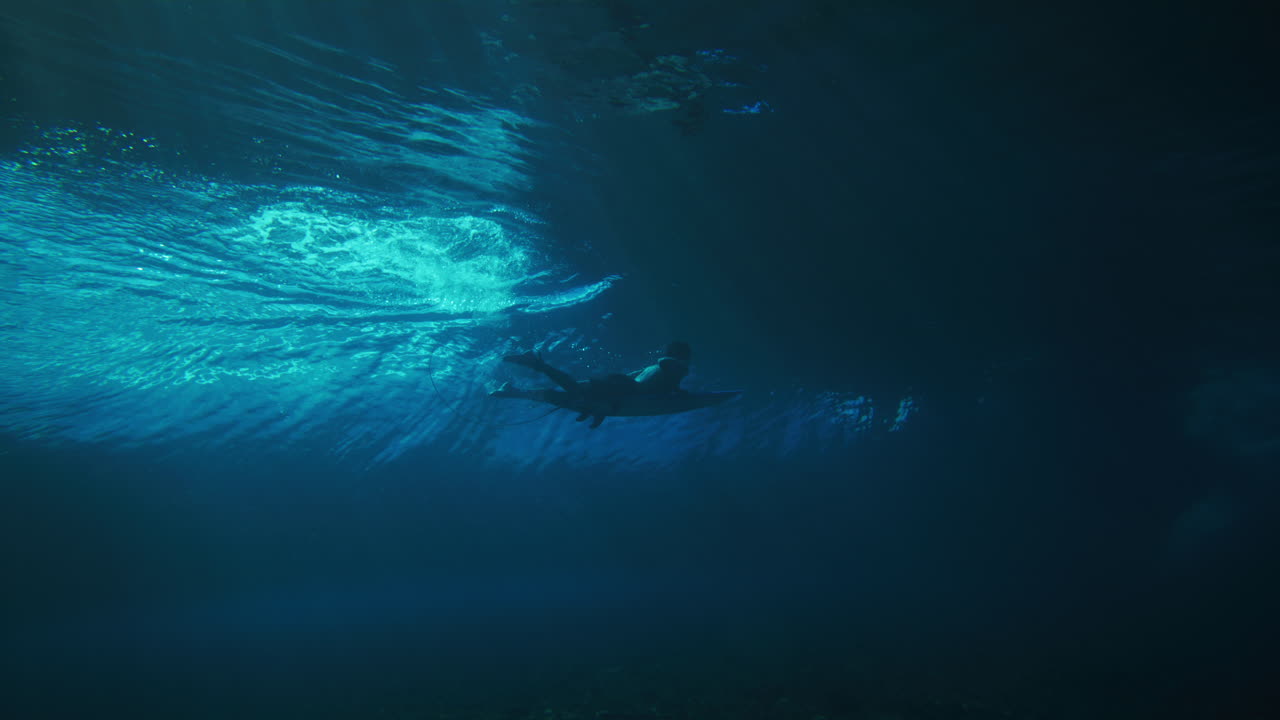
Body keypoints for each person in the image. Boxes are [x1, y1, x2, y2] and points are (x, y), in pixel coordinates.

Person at [502, 341, 692, 428]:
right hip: (625, 389)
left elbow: (635, 376)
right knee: (574, 390)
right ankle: (536, 363)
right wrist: (681, 394)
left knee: (563, 395)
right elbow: (667, 373)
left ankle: (512, 392)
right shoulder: (676, 366)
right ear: (683, 356)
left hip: (621, 385)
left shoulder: (652, 368)